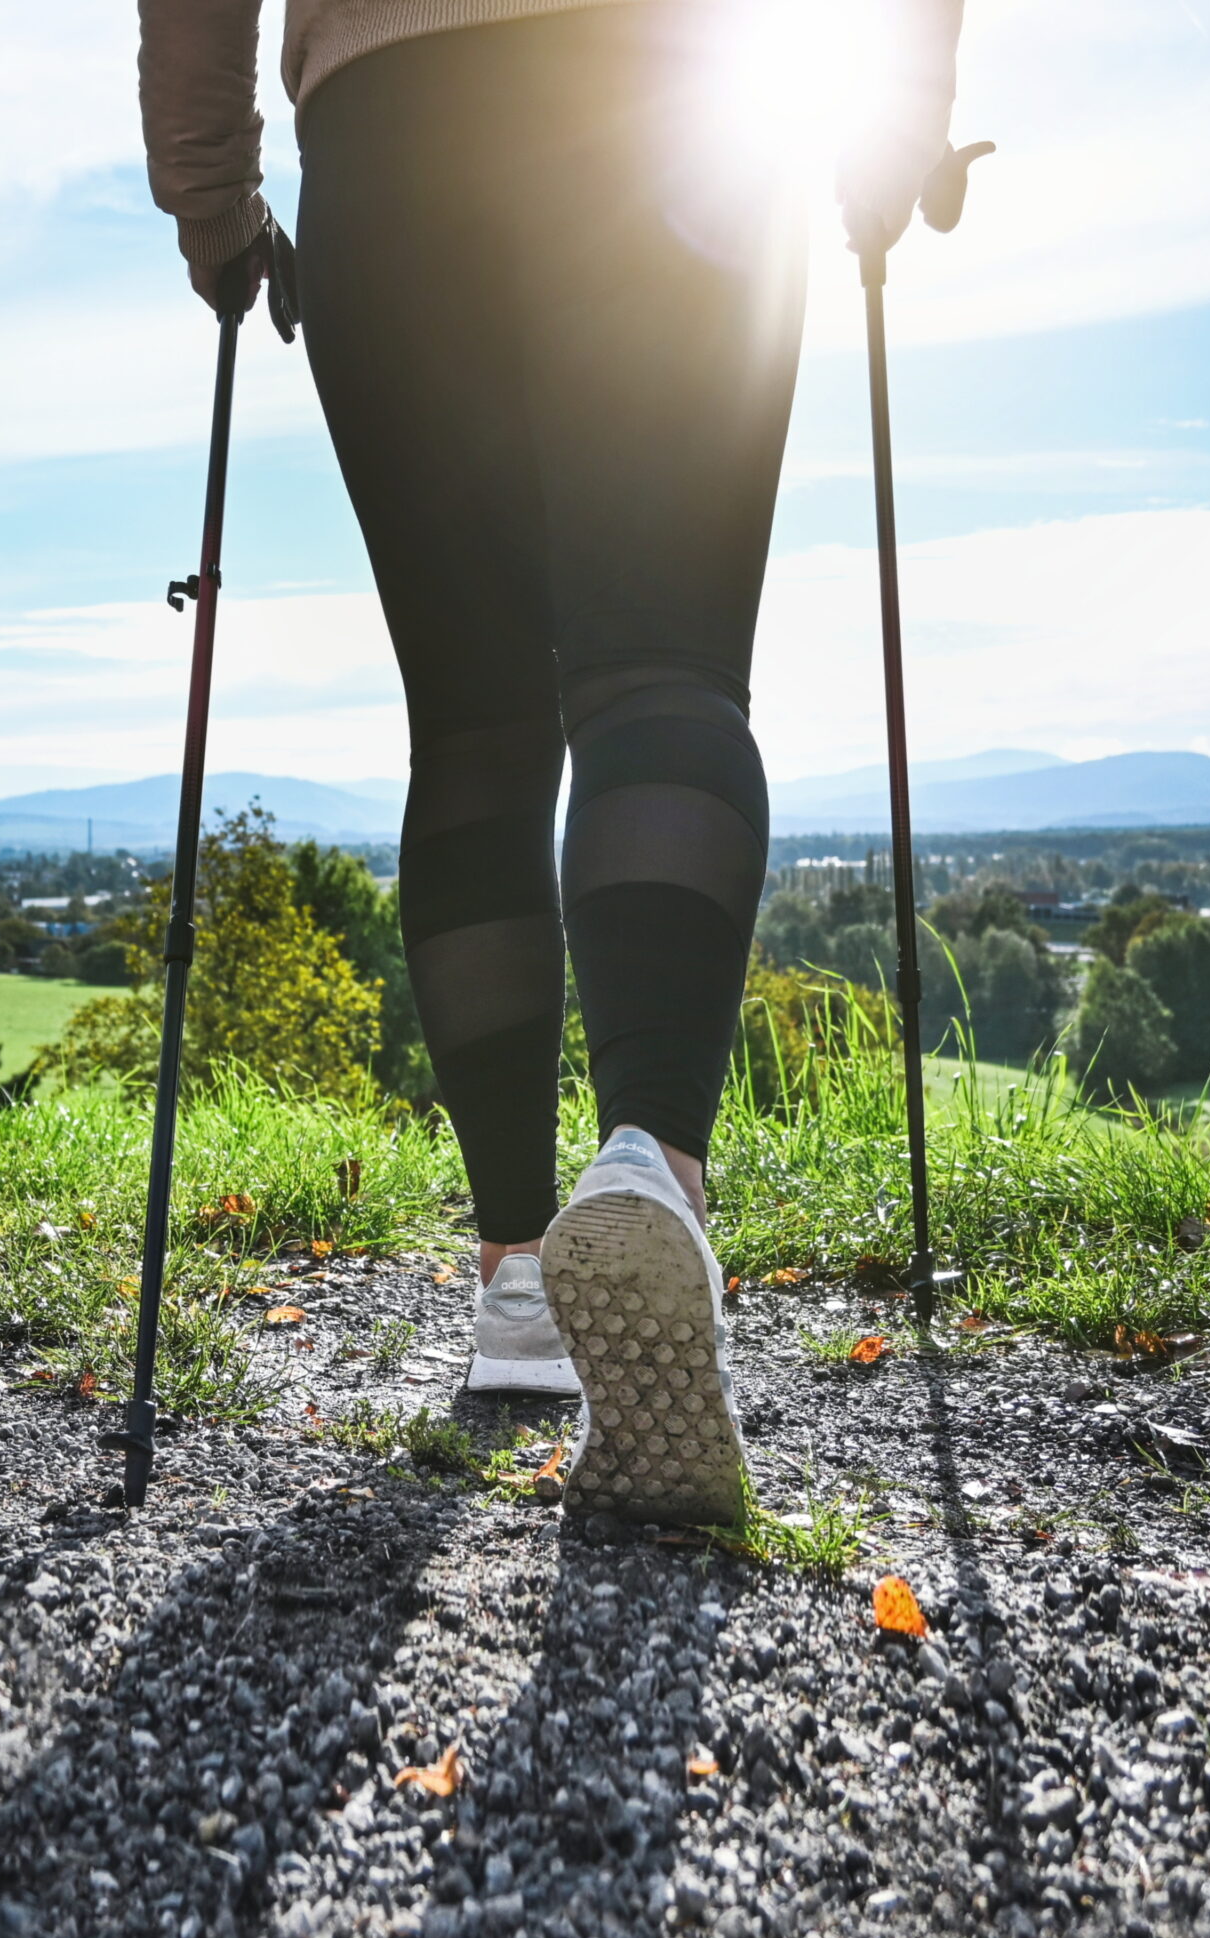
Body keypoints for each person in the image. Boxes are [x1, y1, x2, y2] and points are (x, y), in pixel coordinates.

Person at [138, 0, 967, 1528]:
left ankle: (519, 1280)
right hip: (677, 100)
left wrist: (212, 193)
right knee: (661, 666)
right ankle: (652, 1169)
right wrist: (899, 99)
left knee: (472, 720)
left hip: (389, 135)